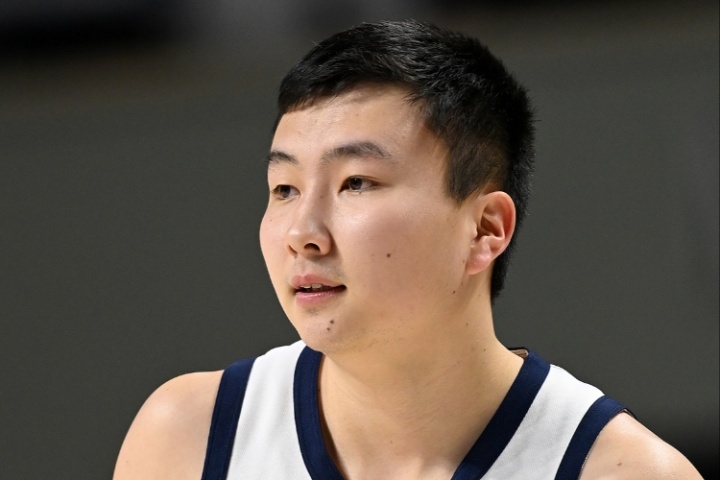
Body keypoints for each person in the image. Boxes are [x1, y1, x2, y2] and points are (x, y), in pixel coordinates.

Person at [113, 20, 702, 480]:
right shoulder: (189, 438)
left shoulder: (622, 471)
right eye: (284, 189)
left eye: (356, 183)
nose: (302, 232)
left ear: (485, 229)